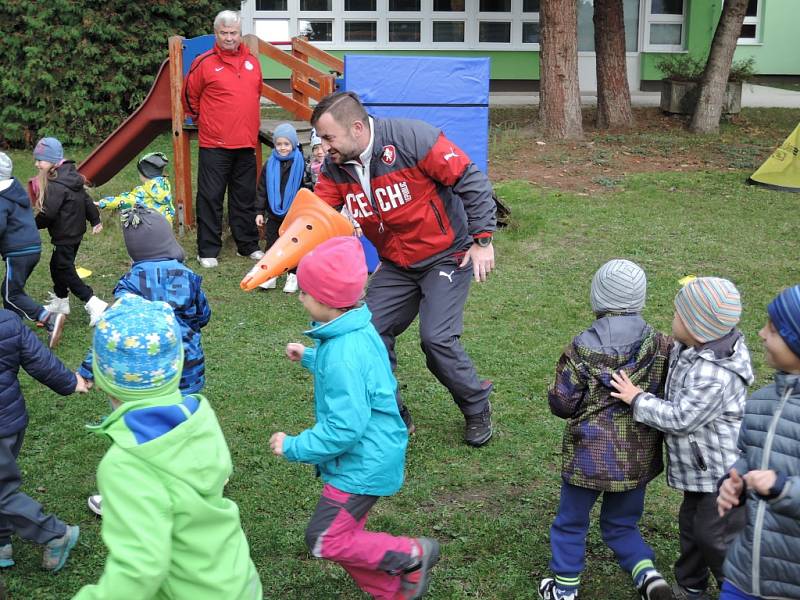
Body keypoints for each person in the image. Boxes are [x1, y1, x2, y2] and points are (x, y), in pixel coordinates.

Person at [311, 91, 497, 447]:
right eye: (321, 138)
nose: (324, 146)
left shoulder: (413, 139)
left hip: (446, 254)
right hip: (397, 264)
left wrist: (483, 239)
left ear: (356, 128)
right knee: (365, 334)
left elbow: (469, 179)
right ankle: (394, 413)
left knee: (436, 339)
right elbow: (315, 215)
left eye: (328, 137)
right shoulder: (336, 167)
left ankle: (476, 405)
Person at [269, 236, 440, 600]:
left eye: (304, 292)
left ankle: (412, 554)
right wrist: (312, 358)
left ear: (326, 300)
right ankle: (394, 592)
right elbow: (362, 376)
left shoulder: (344, 351)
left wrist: (294, 446)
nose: (299, 297)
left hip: (363, 462)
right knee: (344, 538)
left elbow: (344, 428)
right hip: (371, 455)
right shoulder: (358, 327)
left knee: (324, 539)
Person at [73, 294, 262, 599]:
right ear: (176, 368)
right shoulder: (199, 416)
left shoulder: (126, 464)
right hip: (236, 579)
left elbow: (140, 569)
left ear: (104, 376)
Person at [611, 277, 754, 600]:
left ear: (697, 327)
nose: (671, 318)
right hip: (700, 473)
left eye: (678, 314)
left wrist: (637, 399)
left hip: (721, 475)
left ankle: (741, 587)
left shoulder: (714, 375)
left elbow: (681, 419)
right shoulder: (692, 348)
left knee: (712, 536)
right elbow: (670, 356)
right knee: (692, 527)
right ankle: (691, 585)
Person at [539, 260, 673, 600]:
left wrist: (554, 393)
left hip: (588, 458)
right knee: (622, 524)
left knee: (571, 523)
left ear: (597, 296)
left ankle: (564, 590)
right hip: (636, 458)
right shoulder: (661, 344)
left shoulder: (581, 347)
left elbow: (563, 404)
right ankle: (649, 576)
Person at [77, 206, 211, 516]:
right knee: (183, 422)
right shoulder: (189, 277)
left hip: (146, 374)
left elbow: (111, 331)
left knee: (142, 429)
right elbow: (203, 316)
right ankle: (202, 475)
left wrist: (87, 371)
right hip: (187, 367)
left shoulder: (130, 284)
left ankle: (127, 494)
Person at [716, 284, 800, 600]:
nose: (762, 334)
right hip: (746, 573)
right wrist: (734, 482)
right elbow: (749, 455)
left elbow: (777, 483)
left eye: (774, 330)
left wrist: (783, 488)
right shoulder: (762, 402)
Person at [0, 308, 86, 573]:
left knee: (1, 492)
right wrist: (69, 381)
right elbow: (40, 361)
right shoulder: (7, 321)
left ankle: (55, 533)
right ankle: (2, 540)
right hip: (11, 423)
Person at [182, 10, 264, 268]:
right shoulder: (204, 62)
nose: (229, 38)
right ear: (216, 33)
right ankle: (207, 250)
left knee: (245, 197)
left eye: (234, 33)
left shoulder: (252, 62)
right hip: (214, 144)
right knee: (210, 197)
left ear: (240, 34)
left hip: (246, 142)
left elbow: (256, 93)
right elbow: (189, 97)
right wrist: (204, 121)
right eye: (224, 33)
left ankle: (247, 245)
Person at [31, 137, 108, 326]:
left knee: (65, 269)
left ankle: (92, 302)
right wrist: (95, 219)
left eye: (40, 160)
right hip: (74, 233)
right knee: (56, 265)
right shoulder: (70, 175)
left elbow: (48, 214)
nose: (36, 164)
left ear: (51, 161)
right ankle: (61, 301)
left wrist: (32, 225)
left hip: (65, 235)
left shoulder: (56, 184)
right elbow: (86, 198)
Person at [0, 152, 64, 347]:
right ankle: (13, 329)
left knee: (12, 294)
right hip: (31, 248)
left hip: (18, 252)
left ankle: (47, 317)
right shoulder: (14, 190)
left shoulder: (1, 199)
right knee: (10, 291)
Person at [255, 122, 313, 293]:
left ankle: (293, 276)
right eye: (279, 144)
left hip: (294, 214)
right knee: (272, 244)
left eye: (286, 144)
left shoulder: (302, 165)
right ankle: (270, 274)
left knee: (294, 245)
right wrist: (259, 211)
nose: (282, 148)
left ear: (293, 144)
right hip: (274, 213)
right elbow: (262, 189)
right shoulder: (270, 164)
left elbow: (306, 189)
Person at [95, 152, 174, 223]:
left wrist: (102, 203)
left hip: (150, 232)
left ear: (144, 174)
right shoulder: (165, 187)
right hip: (166, 232)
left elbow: (123, 200)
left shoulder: (142, 192)